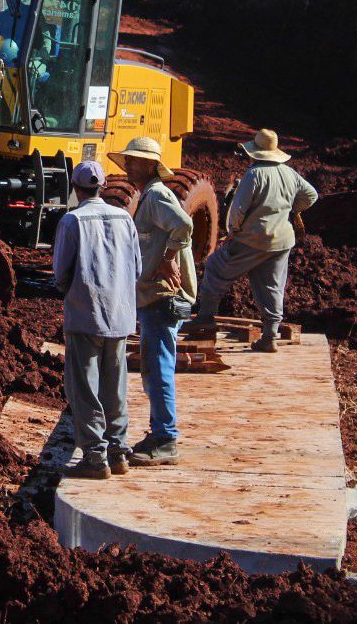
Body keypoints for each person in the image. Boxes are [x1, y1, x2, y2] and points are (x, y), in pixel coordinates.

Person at [189, 129, 318, 353]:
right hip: (282, 241)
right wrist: (291, 210)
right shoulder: (289, 173)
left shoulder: (254, 174)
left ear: (255, 153)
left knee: (216, 268)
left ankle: (206, 318)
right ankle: (269, 336)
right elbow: (311, 195)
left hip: (252, 239)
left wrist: (233, 231)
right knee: (273, 286)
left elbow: (238, 209)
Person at [52, 159, 142, 479]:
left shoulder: (72, 221)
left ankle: (94, 455)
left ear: (76, 188)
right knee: (115, 385)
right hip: (119, 314)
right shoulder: (124, 219)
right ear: (103, 186)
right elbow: (137, 267)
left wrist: (71, 294)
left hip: (84, 313)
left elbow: (61, 273)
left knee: (84, 386)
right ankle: (118, 451)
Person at [108, 137, 193, 467]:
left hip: (162, 296)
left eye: (133, 161)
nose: (127, 165)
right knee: (157, 366)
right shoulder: (151, 195)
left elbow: (183, 226)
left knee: (158, 368)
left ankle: (165, 438)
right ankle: (161, 432)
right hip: (157, 295)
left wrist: (168, 258)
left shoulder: (157, 195)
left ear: (149, 165)